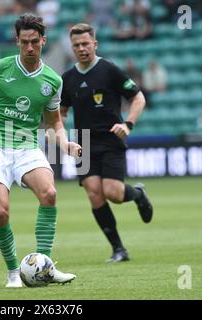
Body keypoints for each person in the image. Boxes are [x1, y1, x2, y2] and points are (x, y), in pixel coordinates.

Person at [0, 14, 81, 288]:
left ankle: (44, 266)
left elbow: (54, 121)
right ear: (17, 42)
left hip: (26, 145)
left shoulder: (52, 81)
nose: (30, 47)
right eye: (25, 42)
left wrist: (65, 143)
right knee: (1, 212)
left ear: (43, 41)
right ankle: (13, 272)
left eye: (35, 42)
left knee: (50, 193)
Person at [60, 23, 153, 263]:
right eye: (76, 45)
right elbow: (59, 113)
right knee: (94, 194)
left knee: (112, 193)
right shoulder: (67, 79)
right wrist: (63, 139)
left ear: (95, 44)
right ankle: (119, 249)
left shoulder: (109, 70)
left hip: (111, 139)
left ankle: (138, 194)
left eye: (85, 44)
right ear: (72, 47)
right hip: (83, 142)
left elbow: (138, 97)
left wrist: (128, 124)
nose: (81, 49)